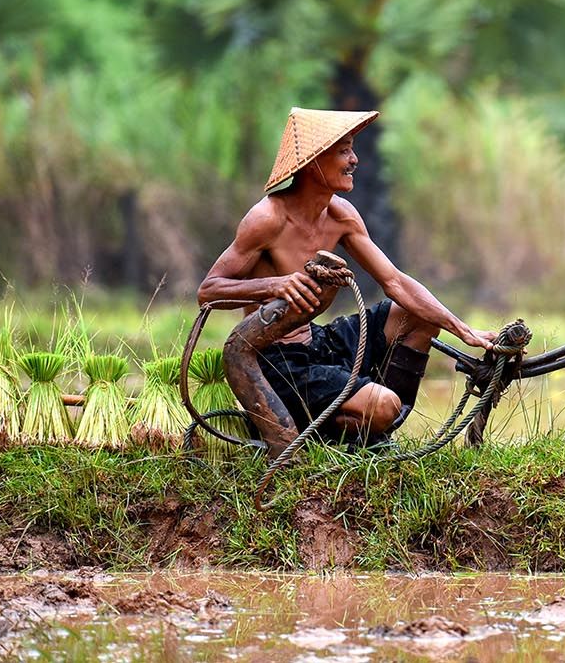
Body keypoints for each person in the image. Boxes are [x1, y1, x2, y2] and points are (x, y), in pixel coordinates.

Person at [197, 107, 498, 446]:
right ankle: (354, 418)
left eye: (353, 149)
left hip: (319, 343)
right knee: (381, 406)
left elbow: (395, 282)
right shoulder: (267, 218)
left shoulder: (341, 214)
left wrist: (462, 329)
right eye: (344, 151)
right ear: (313, 162)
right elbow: (209, 291)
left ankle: (373, 424)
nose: (354, 160)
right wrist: (275, 284)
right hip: (280, 364)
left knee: (416, 316)